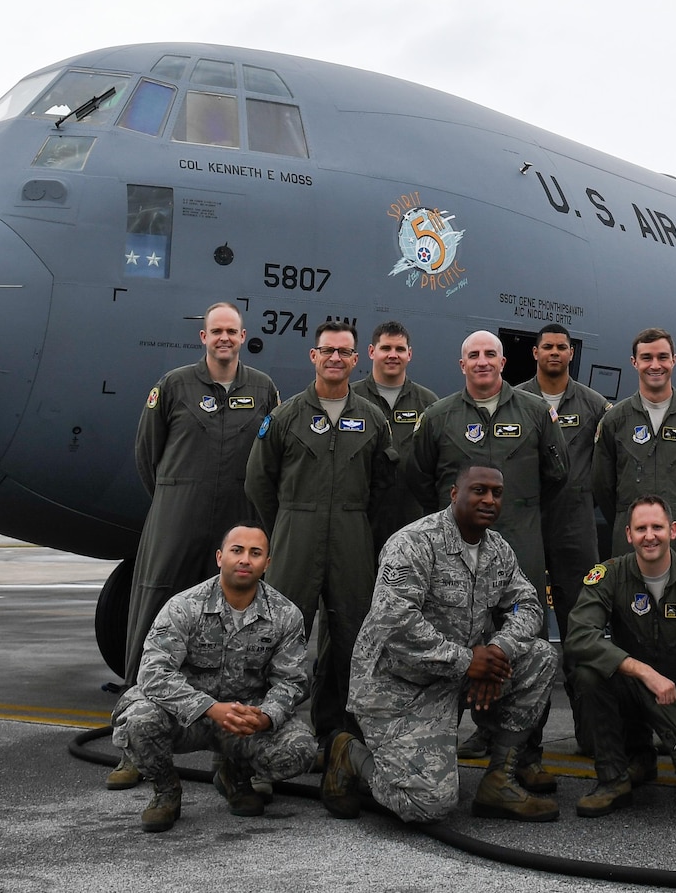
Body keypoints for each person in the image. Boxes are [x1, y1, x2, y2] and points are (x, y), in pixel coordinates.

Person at [323, 463, 560, 824]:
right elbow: (396, 623)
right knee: (427, 805)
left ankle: (499, 780)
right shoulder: (414, 543)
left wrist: (498, 650)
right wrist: (468, 661)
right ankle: (350, 755)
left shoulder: (497, 549)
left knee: (540, 655)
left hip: (457, 676)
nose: (489, 499)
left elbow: (527, 604)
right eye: (478, 490)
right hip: (399, 686)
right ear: (454, 494)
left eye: (496, 493)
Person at [112, 302, 280, 788]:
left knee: (244, 624)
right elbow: (148, 455)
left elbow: (270, 457)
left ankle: (236, 750)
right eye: (215, 332)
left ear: (243, 336)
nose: (223, 339)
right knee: (151, 618)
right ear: (202, 337)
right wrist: (175, 496)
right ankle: (130, 744)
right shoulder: (172, 386)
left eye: (231, 331)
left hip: (237, 520)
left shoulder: (263, 389)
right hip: (177, 517)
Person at [413, 330, 573, 777]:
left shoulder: (537, 413)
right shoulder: (438, 416)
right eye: (473, 356)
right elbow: (420, 478)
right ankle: (464, 734)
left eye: (490, 355)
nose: (482, 362)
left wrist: (520, 512)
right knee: (459, 637)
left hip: (519, 547)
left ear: (504, 362)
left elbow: (556, 475)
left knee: (524, 642)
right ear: (461, 364)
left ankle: (527, 752)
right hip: (454, 554)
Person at [110, 524, 318, 832]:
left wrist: (265, 716)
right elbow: (153, 673)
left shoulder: (286, 615)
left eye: (255, 553)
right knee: (139, 718)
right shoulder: (184, 607)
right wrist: (210, 708)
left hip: (244, 720)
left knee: (300, 749)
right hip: (187, 717)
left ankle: (234, 775)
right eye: (237, 551)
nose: (245, 559)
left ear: (267, 563)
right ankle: (166, 792)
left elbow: (291, 681)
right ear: (220, 557)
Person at [245, 320, 396, 739]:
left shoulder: (372, 418)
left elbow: (382, 484)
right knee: (280, 637)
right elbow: (258, 480)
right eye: (327, 350)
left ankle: (339, 737)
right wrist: (286, 526)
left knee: (352, 636)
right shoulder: (285, 415)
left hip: (351, 537)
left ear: (355, 359)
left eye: (343, 352)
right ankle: (267, 734)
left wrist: (358, 527)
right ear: (314, 356)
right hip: (295, 532)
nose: (335, 358)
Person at [566, 496, 676, 817]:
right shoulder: (609, 575)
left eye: (657, 527)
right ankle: (615, 778)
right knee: (589, 672)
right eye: (641, 528)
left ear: (673, 531)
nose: (649, 535)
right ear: (628, 535)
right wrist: (643, 672)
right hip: (632, 684)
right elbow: (580, 636)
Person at [591, 329, 676, 571]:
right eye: (647, 358)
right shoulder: (615, 421)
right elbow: (603, 487)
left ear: (674, 360)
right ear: (634, 362)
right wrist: (627, 519)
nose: (655, 365)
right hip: (630, 548)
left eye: (663, 357)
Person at [518, 322, 608, 635]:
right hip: (527, 520)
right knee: (521, 603)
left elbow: (607, 464)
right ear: (535, 352)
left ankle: (579, 681)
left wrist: (584, 497)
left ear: (571, 353)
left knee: (580, 608)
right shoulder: (515, 401)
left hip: (575, 524)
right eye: (547, 347)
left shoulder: (594, 405)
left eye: (561, 347)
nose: (554, 353)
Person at [356, 320, 439, 546]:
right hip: (360, 522)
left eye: (400, 349)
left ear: (409, 354)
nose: (393, 355)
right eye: (386, 348)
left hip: (412, 522)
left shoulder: (429, 404)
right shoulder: (352, 399)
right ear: (372, 352)